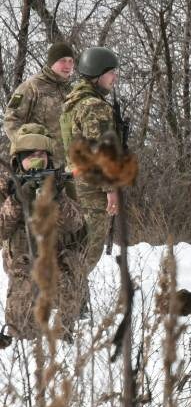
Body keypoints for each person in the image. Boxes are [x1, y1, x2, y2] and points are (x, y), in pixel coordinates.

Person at [0, 124, 87, 345]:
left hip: (58, 260)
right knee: (22, 324)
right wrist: (17, 200)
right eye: (30, 156)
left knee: (71, 283)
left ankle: (66, 336)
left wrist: (57, 198)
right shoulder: (6, 185)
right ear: (18, 160)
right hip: (23, 263)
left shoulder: (60, 182)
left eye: (41, 155)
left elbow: (77, 226)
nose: (37, 160)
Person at [58, 46, 129, 259]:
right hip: (92, 189)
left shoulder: (73, 102)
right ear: (97, 74)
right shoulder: (94, 106)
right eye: (110, 72)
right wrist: (110, 189)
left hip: (72, 185)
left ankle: (68, 291)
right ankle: (70, 292)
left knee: (74, 251)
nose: (114, 77)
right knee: (88, 254)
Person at [5, 42, 75, 163]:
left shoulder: (71, 91)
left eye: (71, 61)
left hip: (68, 166)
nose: (67, 65)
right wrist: (28, 151)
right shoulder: (31, 87)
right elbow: (11, 119)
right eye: (63, 60)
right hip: (39, 164)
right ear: (52, 62)